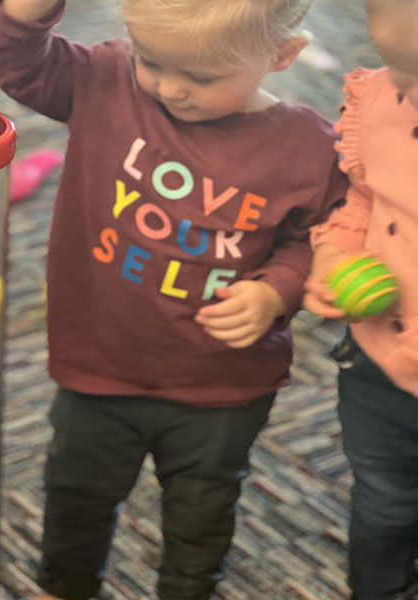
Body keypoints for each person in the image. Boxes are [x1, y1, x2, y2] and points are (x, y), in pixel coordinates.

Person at [0, 0, 348, 598]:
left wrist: (277, 290)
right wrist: (23, 14)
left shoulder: (308, 148)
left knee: (200, 518)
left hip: (221, 386)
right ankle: (63, 586)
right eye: (151, 60)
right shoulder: (107, 80)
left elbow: (324, 238)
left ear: (282, 56)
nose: (170, 88)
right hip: (99, 364)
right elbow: (14, 62)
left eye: (201, 77)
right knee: (75, 496)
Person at [303, 0, 418, 598]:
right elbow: (363, 197)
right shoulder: (379, 102)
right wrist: (337, 255)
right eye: (401, 66)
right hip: (379, 368)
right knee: (383, 504)